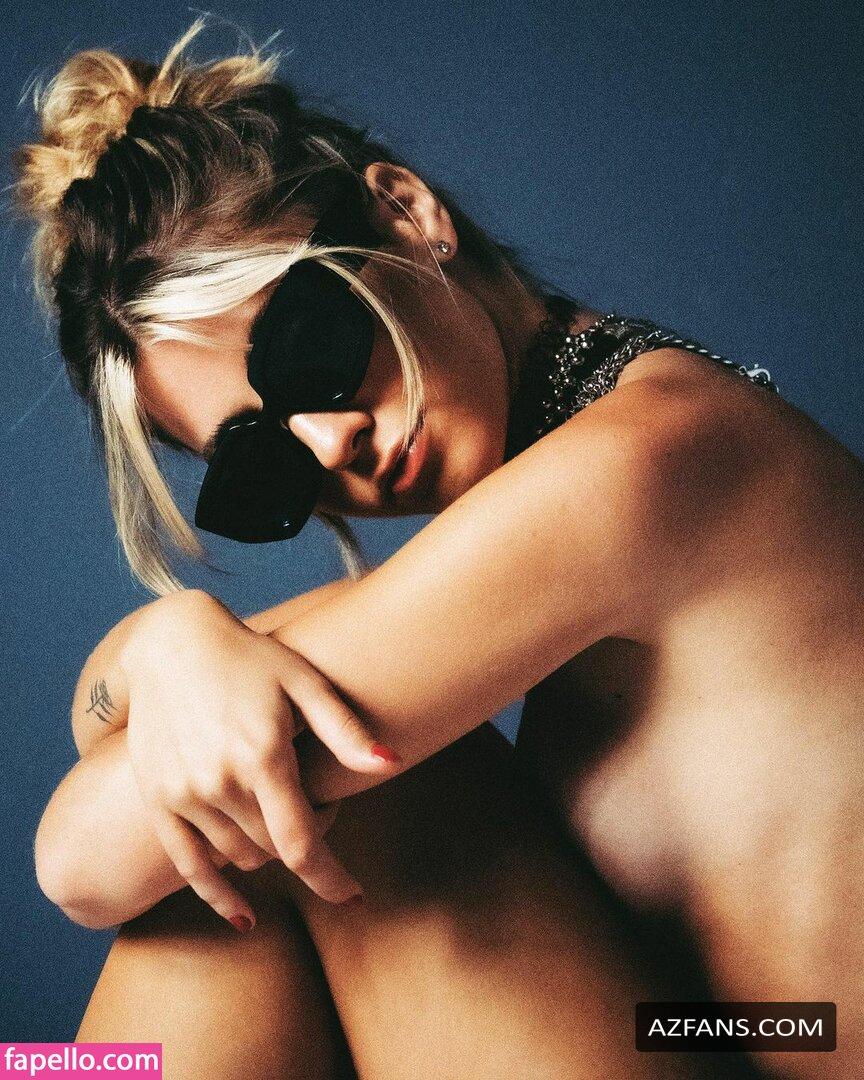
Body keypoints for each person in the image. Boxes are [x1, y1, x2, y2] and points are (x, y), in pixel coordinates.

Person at [15, 19, 863, 1080]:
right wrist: (167, 641)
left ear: (408, 213)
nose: (330, 444)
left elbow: (78, 862)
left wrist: (172, 657)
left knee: (310, 791)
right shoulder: (599, 460)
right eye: (256, 455)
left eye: (308, 351)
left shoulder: (646, 463)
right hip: (718, 1041)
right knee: (259, 790)